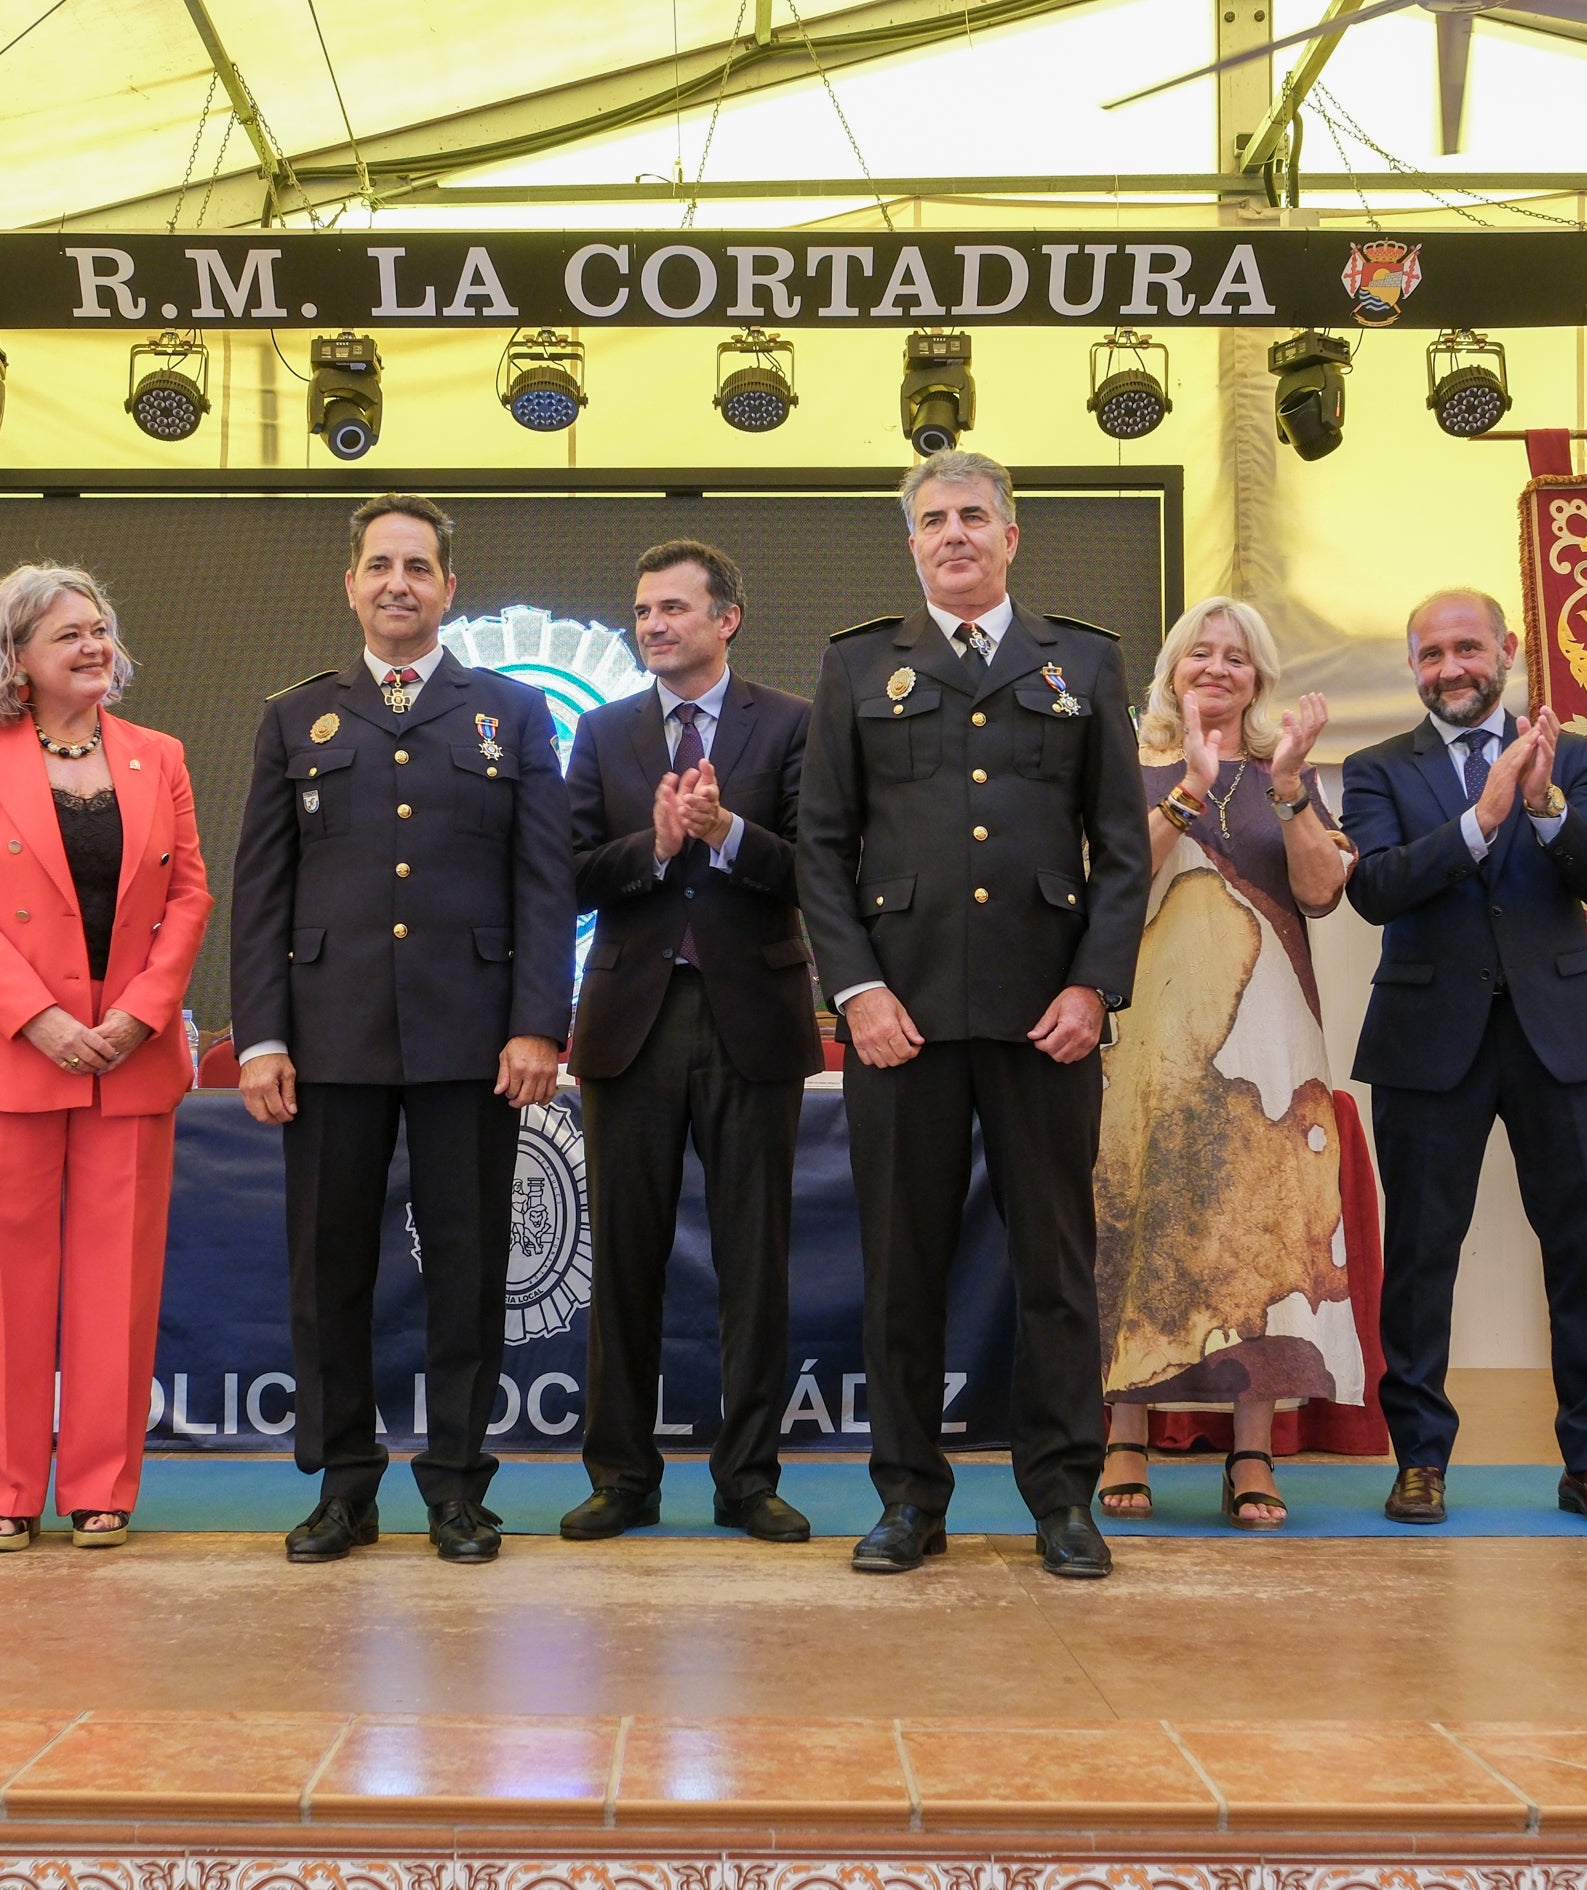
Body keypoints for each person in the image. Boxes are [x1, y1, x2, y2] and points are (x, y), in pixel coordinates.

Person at [799, 450, 1148, 1580]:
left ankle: (1064, 1500)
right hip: (899, 1022)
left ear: (1011, 536)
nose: (954, 534)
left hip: (1047, 1020)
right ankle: (908, 1498)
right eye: (934, 520)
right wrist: (858, 994)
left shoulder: (1082, 661)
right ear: (912, 544)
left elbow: (1122, 853)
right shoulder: (860, 668)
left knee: (1054, 1268)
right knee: (903, 1270)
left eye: (974, 517)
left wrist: (1093, 987)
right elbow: (824, 848)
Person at [229, 493, 573, 1565]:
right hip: (327, 1038)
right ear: (351, 584)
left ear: (448, 590)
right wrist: (261, 1036)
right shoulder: (297, 715)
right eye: (379, 565)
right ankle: (342, 1487)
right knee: (329, 1269)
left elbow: (543, 887)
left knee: (468, 1269)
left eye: (418, 567)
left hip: (474, 1040)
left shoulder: (509, 714)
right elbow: (262, 894)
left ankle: (460, 1488)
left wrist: (536, 1027)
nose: (397, 584)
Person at [0, 564, 212, 1551]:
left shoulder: (158, 756)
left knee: (115, 1285)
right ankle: (2, 1491)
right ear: (16, 660)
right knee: (4, 1284)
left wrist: (139, 1014)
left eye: (100, 628)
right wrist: (39, 1018)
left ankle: (101, 1490)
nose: (93, 646)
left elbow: (189, 899)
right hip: (7, 1054)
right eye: (67, 635)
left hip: (130, 1054)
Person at [1341, 586, 1587, 1529]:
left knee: (1582, 1255)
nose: (1451, 670)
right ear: (1412, 668)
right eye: (1431, 655)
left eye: (1466, 649)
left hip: (1564, 1039)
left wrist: (1544, 801)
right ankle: (1420, 1461)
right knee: (1422, 1255)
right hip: (1427, 1044)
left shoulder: (1574, 755)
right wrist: (1479, 817)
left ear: (1506, 649)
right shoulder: (1373, 767)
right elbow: (1378, 890)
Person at [559, 540, 819, 1545]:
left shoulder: (792, 725)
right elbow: (574, 874)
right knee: (625, 1258)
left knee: (756, 1261)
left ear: (727, 618)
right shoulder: (604, 732)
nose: (655, 625)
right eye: (642, 611)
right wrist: (660, 846)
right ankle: (622, 1477)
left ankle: (748, 1479)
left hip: (753, 1017)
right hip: (631, 1025)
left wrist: (727, 836)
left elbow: (815, 871)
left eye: (675, 608)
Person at [1092, 596, 1359, 1531]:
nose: (1216, 668)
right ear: (1170, 670)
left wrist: (1287, 788)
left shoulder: (1287, 773)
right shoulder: (1127, 766)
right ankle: (1126, 1429)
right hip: (1149, 1034)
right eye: (1199, 653)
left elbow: (1323, 893)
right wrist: (1187, 793)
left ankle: (1253, 1448)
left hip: (1275, 1034)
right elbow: (1107, 887)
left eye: (1235, 658)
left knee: (1270, 1224)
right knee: (1140, 1215)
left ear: (1259, 678)